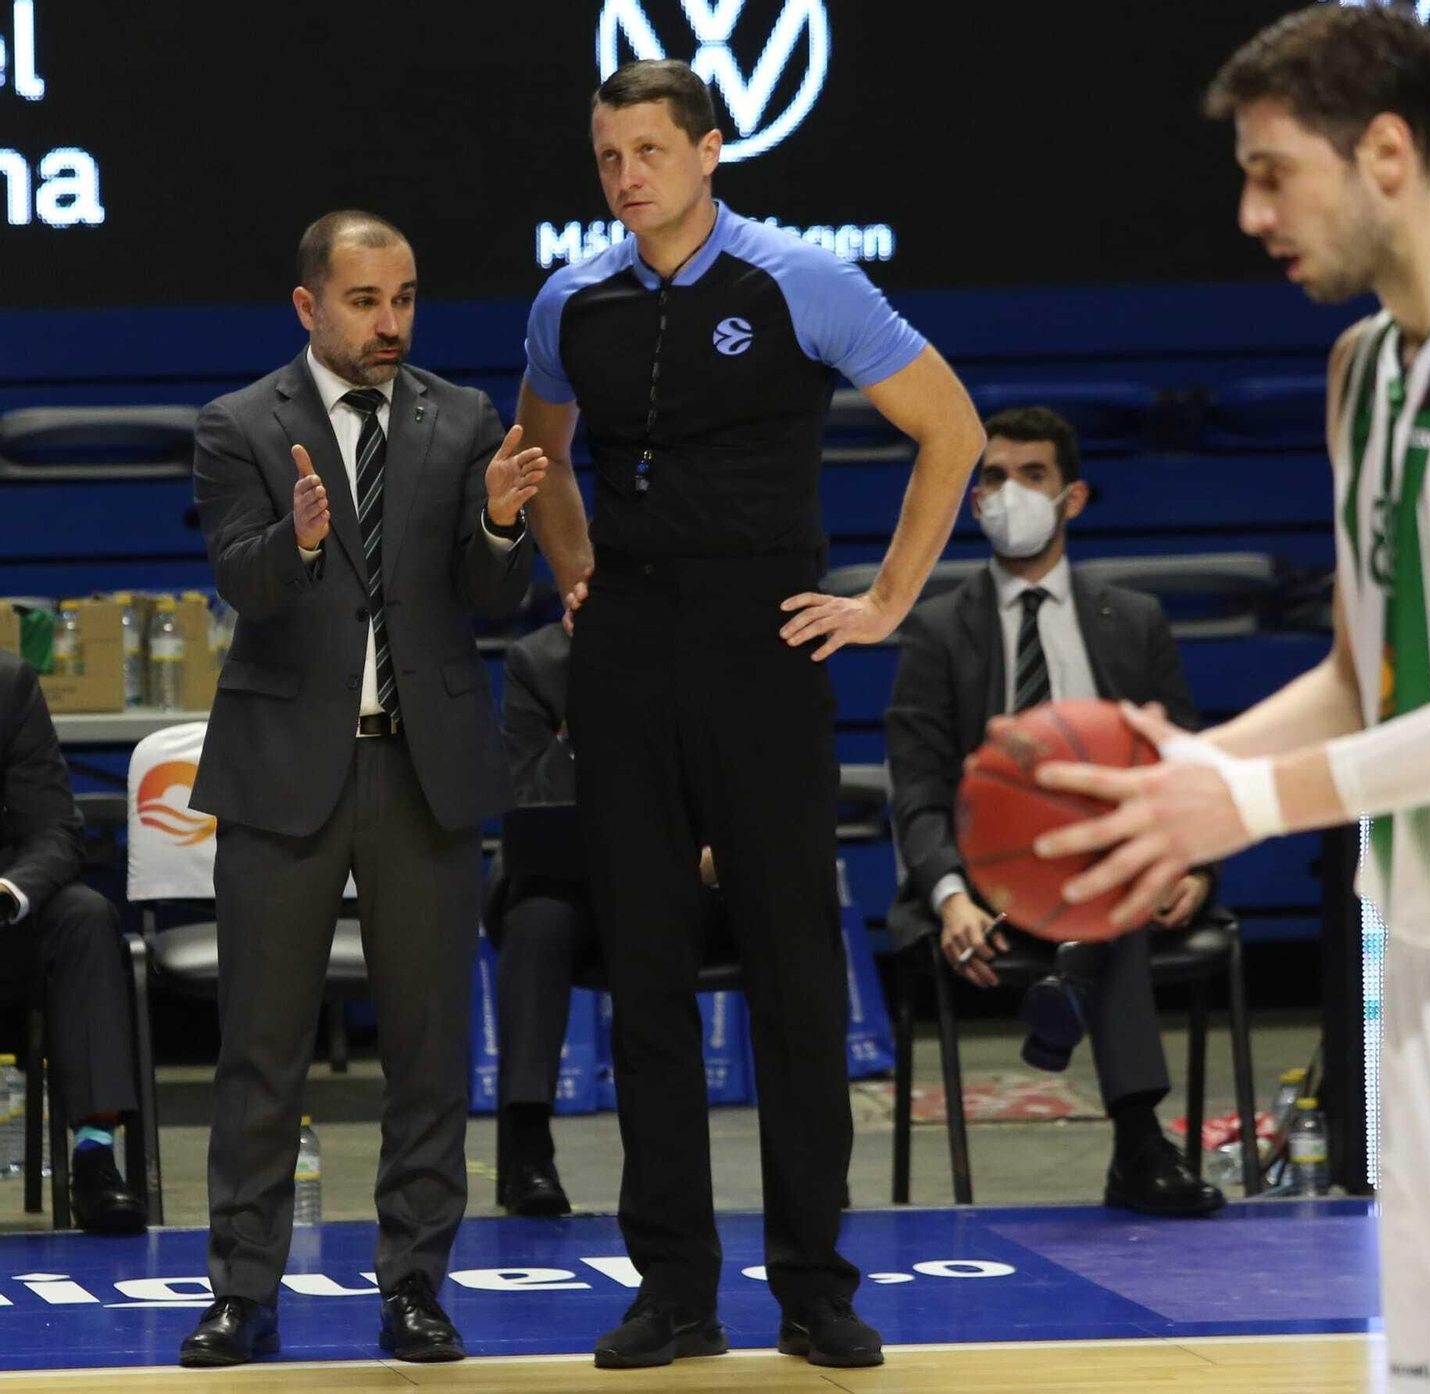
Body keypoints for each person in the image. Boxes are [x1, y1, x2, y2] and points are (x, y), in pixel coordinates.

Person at [1025, 9, 1430, 1391]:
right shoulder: (1361, 371)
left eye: (1275, 171)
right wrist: (1192, 776)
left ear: (1388, 151)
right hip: (1412, 947)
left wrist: (1248, 797)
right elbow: (1360, 677)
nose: (1248, 210)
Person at [518, 59, 986, 1372]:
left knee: (792, 973)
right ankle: (673, 1289)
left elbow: (949, 426)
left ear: (710, 151)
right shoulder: (573, 299)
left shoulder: (800, 280)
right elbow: (538, 451)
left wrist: (888, 600)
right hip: (626, 654)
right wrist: (571, 570)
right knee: (649, 973)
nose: (626, 177)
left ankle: (816, 1288)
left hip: (766, 646)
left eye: (650, 152)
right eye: (609, 156)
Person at [179, 210, 541, 1369]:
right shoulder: (239, 424)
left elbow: (493, 593)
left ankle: (416, 1286)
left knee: (429, 1049)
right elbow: (241, 578)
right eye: (365, 301)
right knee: (261, 1047)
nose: (390, 323)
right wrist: (293, 541)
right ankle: (243, 1289)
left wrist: (496, 518)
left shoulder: (463, 417)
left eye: (405, 299)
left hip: (420, 766)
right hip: (286, 770)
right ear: (308, 306)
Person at [885, 406, 1222, 1217]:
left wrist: (1191, 860)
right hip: (987, 885)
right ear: (972, 505)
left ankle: (1133, 1133)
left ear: (1072, 497)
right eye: (993, 478)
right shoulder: (936, 631)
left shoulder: (1134, 622)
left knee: (1122, 891)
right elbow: (919, 788)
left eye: (1031, 476)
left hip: (1114, 865)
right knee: (1108, 904)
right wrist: (950, 896)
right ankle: (1139, 1137)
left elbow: (1186, 760)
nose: (1010, 494)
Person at [488, 620, 730, 1217]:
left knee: (653, 923)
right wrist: (585, 714)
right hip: (569, 888)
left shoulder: (695, 650)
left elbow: (732, 778)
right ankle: (527, 1149)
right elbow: (529, 797)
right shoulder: (536, 662)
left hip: (682, 880)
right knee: (537, 921)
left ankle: (663, 1161)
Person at [0, 650, 146, 1235]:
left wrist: (11, 890)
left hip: (5, 919)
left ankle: (93, 1161)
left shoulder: (8, 685)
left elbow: (56, 829)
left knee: (86, 916)